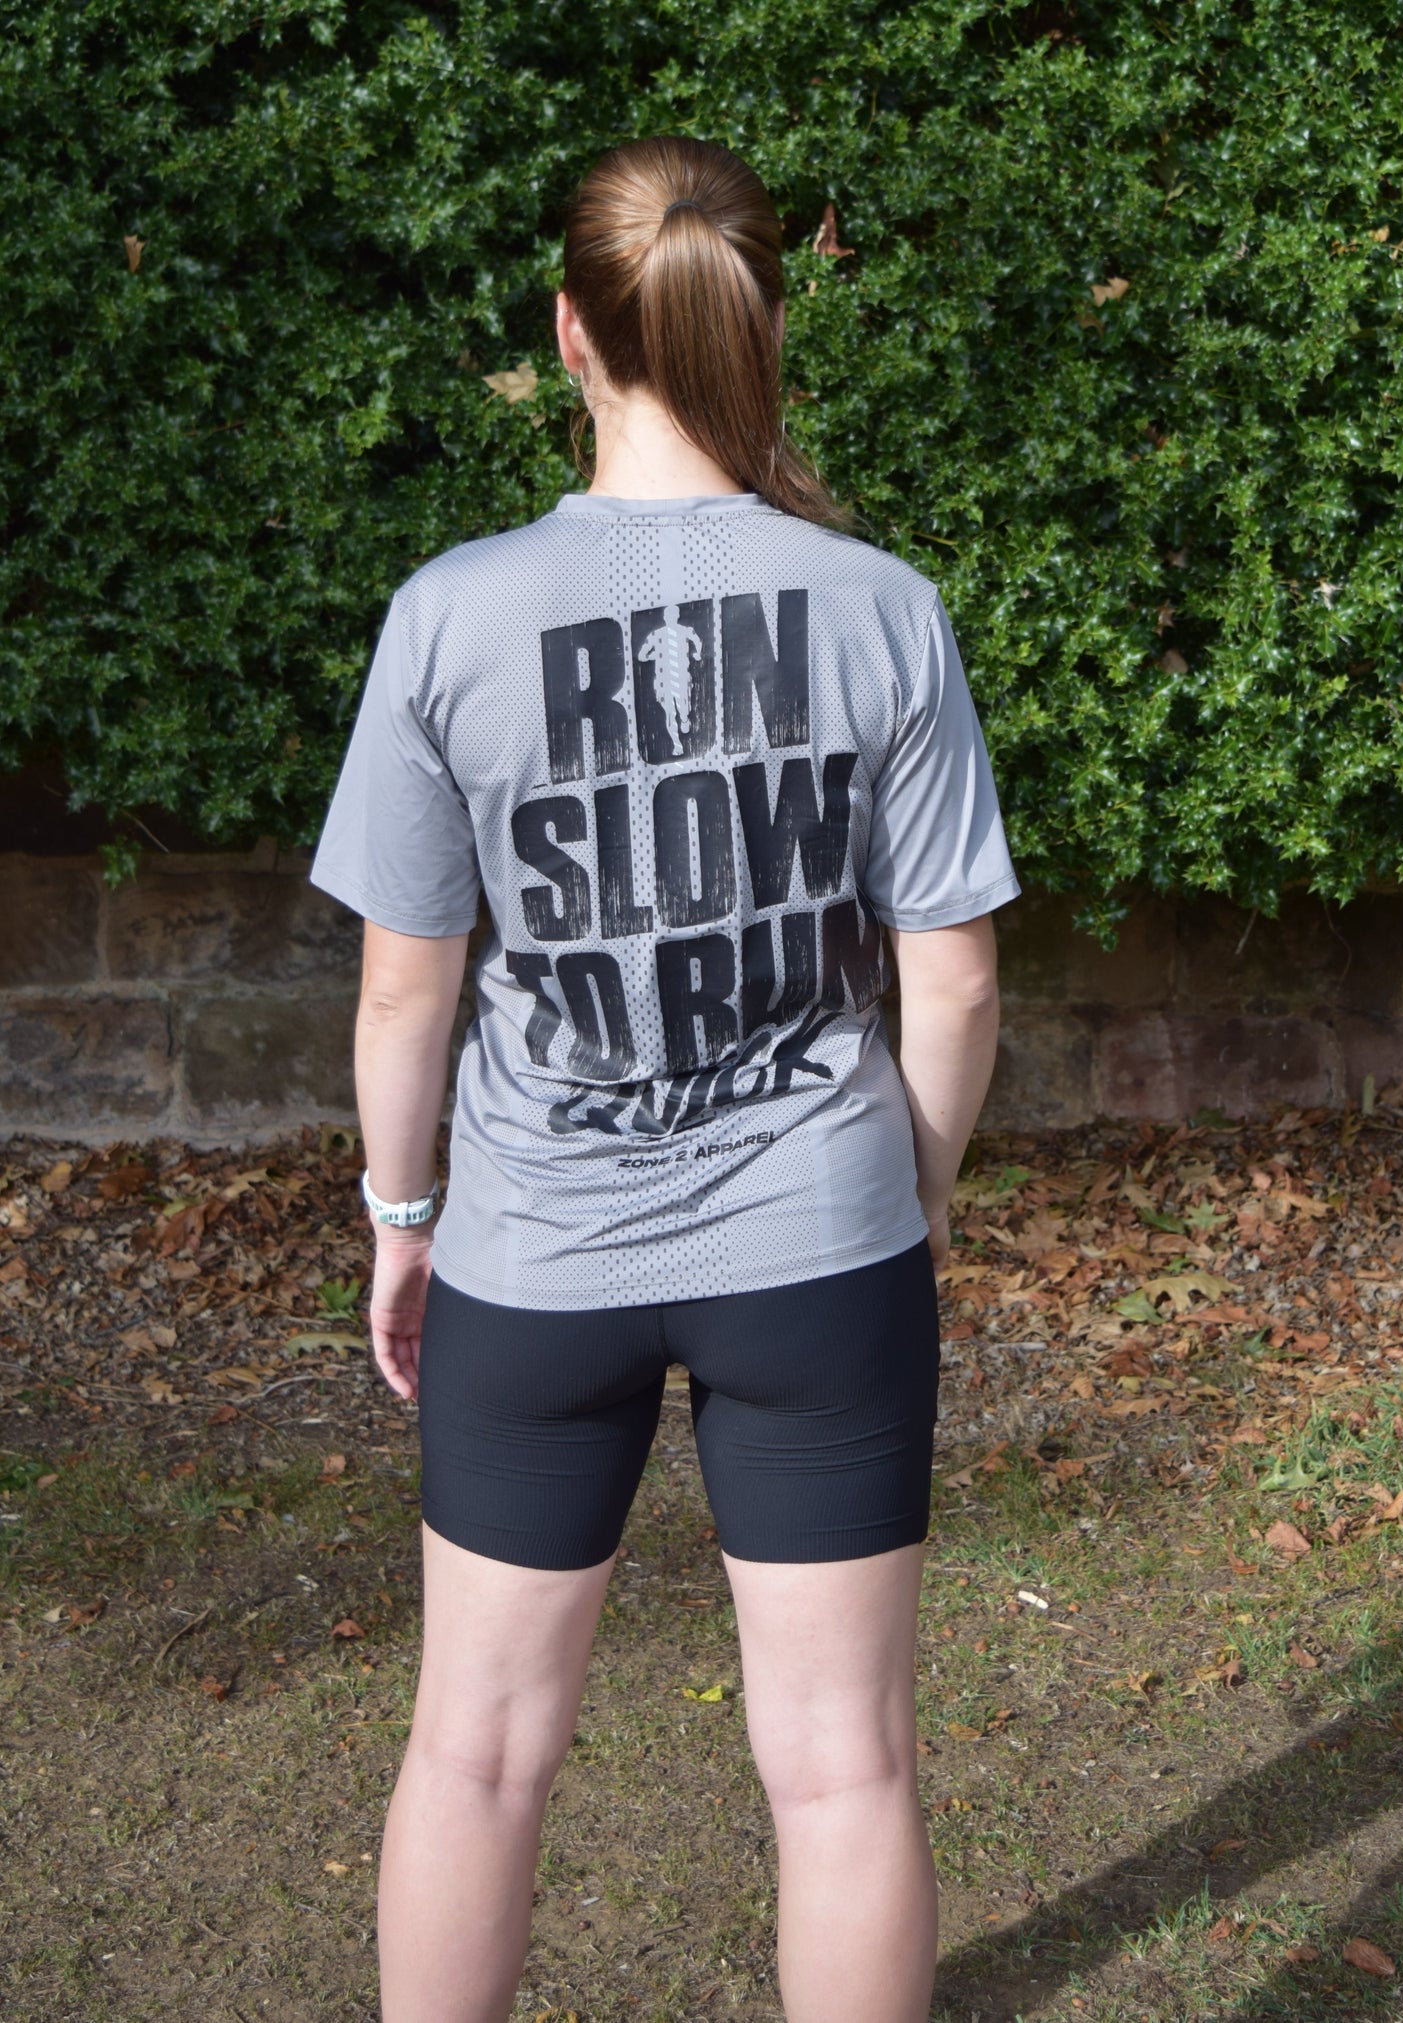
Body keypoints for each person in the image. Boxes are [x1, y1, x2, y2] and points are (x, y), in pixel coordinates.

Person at [309, 134, 1019, 2023]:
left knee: (474, 1752)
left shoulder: (450, 613)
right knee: (843, 1769)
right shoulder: (882, 607)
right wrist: (909, 1191)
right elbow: (949, 982)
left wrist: (403, 1222)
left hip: (532, 1255)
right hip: (823, 1250)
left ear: (568, 334)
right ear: (759, 322)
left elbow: (403, 989)